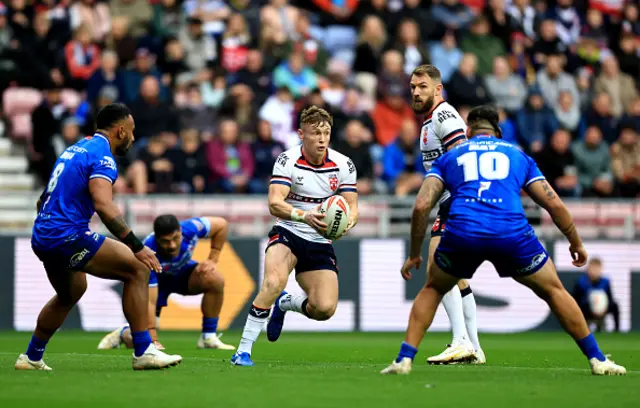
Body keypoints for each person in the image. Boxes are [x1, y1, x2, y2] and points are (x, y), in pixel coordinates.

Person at [381, 105, 626, 376]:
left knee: (434, 288)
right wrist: (575, 242)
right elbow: (553, 204)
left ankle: (404, 359)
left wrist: (415, 252)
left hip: (464, 232)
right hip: (511, 233)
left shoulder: (451, 157)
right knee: (554, 290)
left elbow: (421, 205)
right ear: (498, 132)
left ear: (468, 131)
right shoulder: (517, 155)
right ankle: (598, 360)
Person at [16, 103, 182, 371]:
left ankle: (31, 357)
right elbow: (104, 206)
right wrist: (137, 246)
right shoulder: (103, 156)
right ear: (120, 131)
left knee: (71, 292)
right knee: (138, 268)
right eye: (131, 131)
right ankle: (144, 351)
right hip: (66, 235)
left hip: (43, 235)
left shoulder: (74, 149)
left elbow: (43, 199)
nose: (133, 137)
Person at [231, 106, 359, 366]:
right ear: (302, 134)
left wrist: (348, 223)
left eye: (326, 133)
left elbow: (352, 206)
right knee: (273, 282)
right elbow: (274, 203)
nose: (322, 139)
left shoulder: (343, 165)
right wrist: (304, 216)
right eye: (315, 133)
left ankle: (286, 304)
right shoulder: (287, 160)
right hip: (289, 231)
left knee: (324, 309)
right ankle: (242, 351)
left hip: (320, 240)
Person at [410, 64, 484, 364]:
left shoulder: (444, 116)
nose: (416, 91)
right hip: (453, 199)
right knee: (458, 279)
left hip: (459, 198)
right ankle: (475, 348)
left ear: (438, 89)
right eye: (413, 87)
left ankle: (460, 340)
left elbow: (462, 157)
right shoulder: (428, 123)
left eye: (423, 86)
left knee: (436, 266)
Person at [97, 214, 236, 351]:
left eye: (176, 238)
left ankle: (208, 337)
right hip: (156, 283)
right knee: (142, 339)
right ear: (157, 238)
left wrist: (213, 258)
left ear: (181, 232)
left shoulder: (191, 228)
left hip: (181, 274)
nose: (172, 245)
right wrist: (153, 340)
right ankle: (124, 333)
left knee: (214, 279)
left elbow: (221, 224)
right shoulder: (148, 252)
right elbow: (150, 302)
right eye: (165, 241)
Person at [572, 258, 620, 332]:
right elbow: (575, 299)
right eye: (593, 268)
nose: (595, 271)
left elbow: (610, 298)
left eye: (597, 269)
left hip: (603, 309)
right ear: (588, 269)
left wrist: (604, 309)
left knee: (615, 305)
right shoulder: (581, 282)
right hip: (586, 309)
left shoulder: (605, 282)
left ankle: (617, 330)